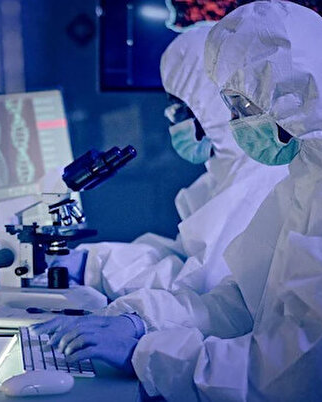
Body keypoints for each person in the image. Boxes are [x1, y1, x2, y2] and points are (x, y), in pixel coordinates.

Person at [35, 1, 322, 400]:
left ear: (293, 94)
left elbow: (303, 377)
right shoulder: (312, 172)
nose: (236, 123)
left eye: (242, 106)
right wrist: (141, 323)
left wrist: (148, 353)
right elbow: (245, 299)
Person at [74, 25, 287, 301]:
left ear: (209, 105)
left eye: (178, 108)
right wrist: (91, 262)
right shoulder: (224, 173)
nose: (174, 120)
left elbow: (196, 286)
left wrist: (96, 270)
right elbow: (182, 254)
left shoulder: (256, 179)